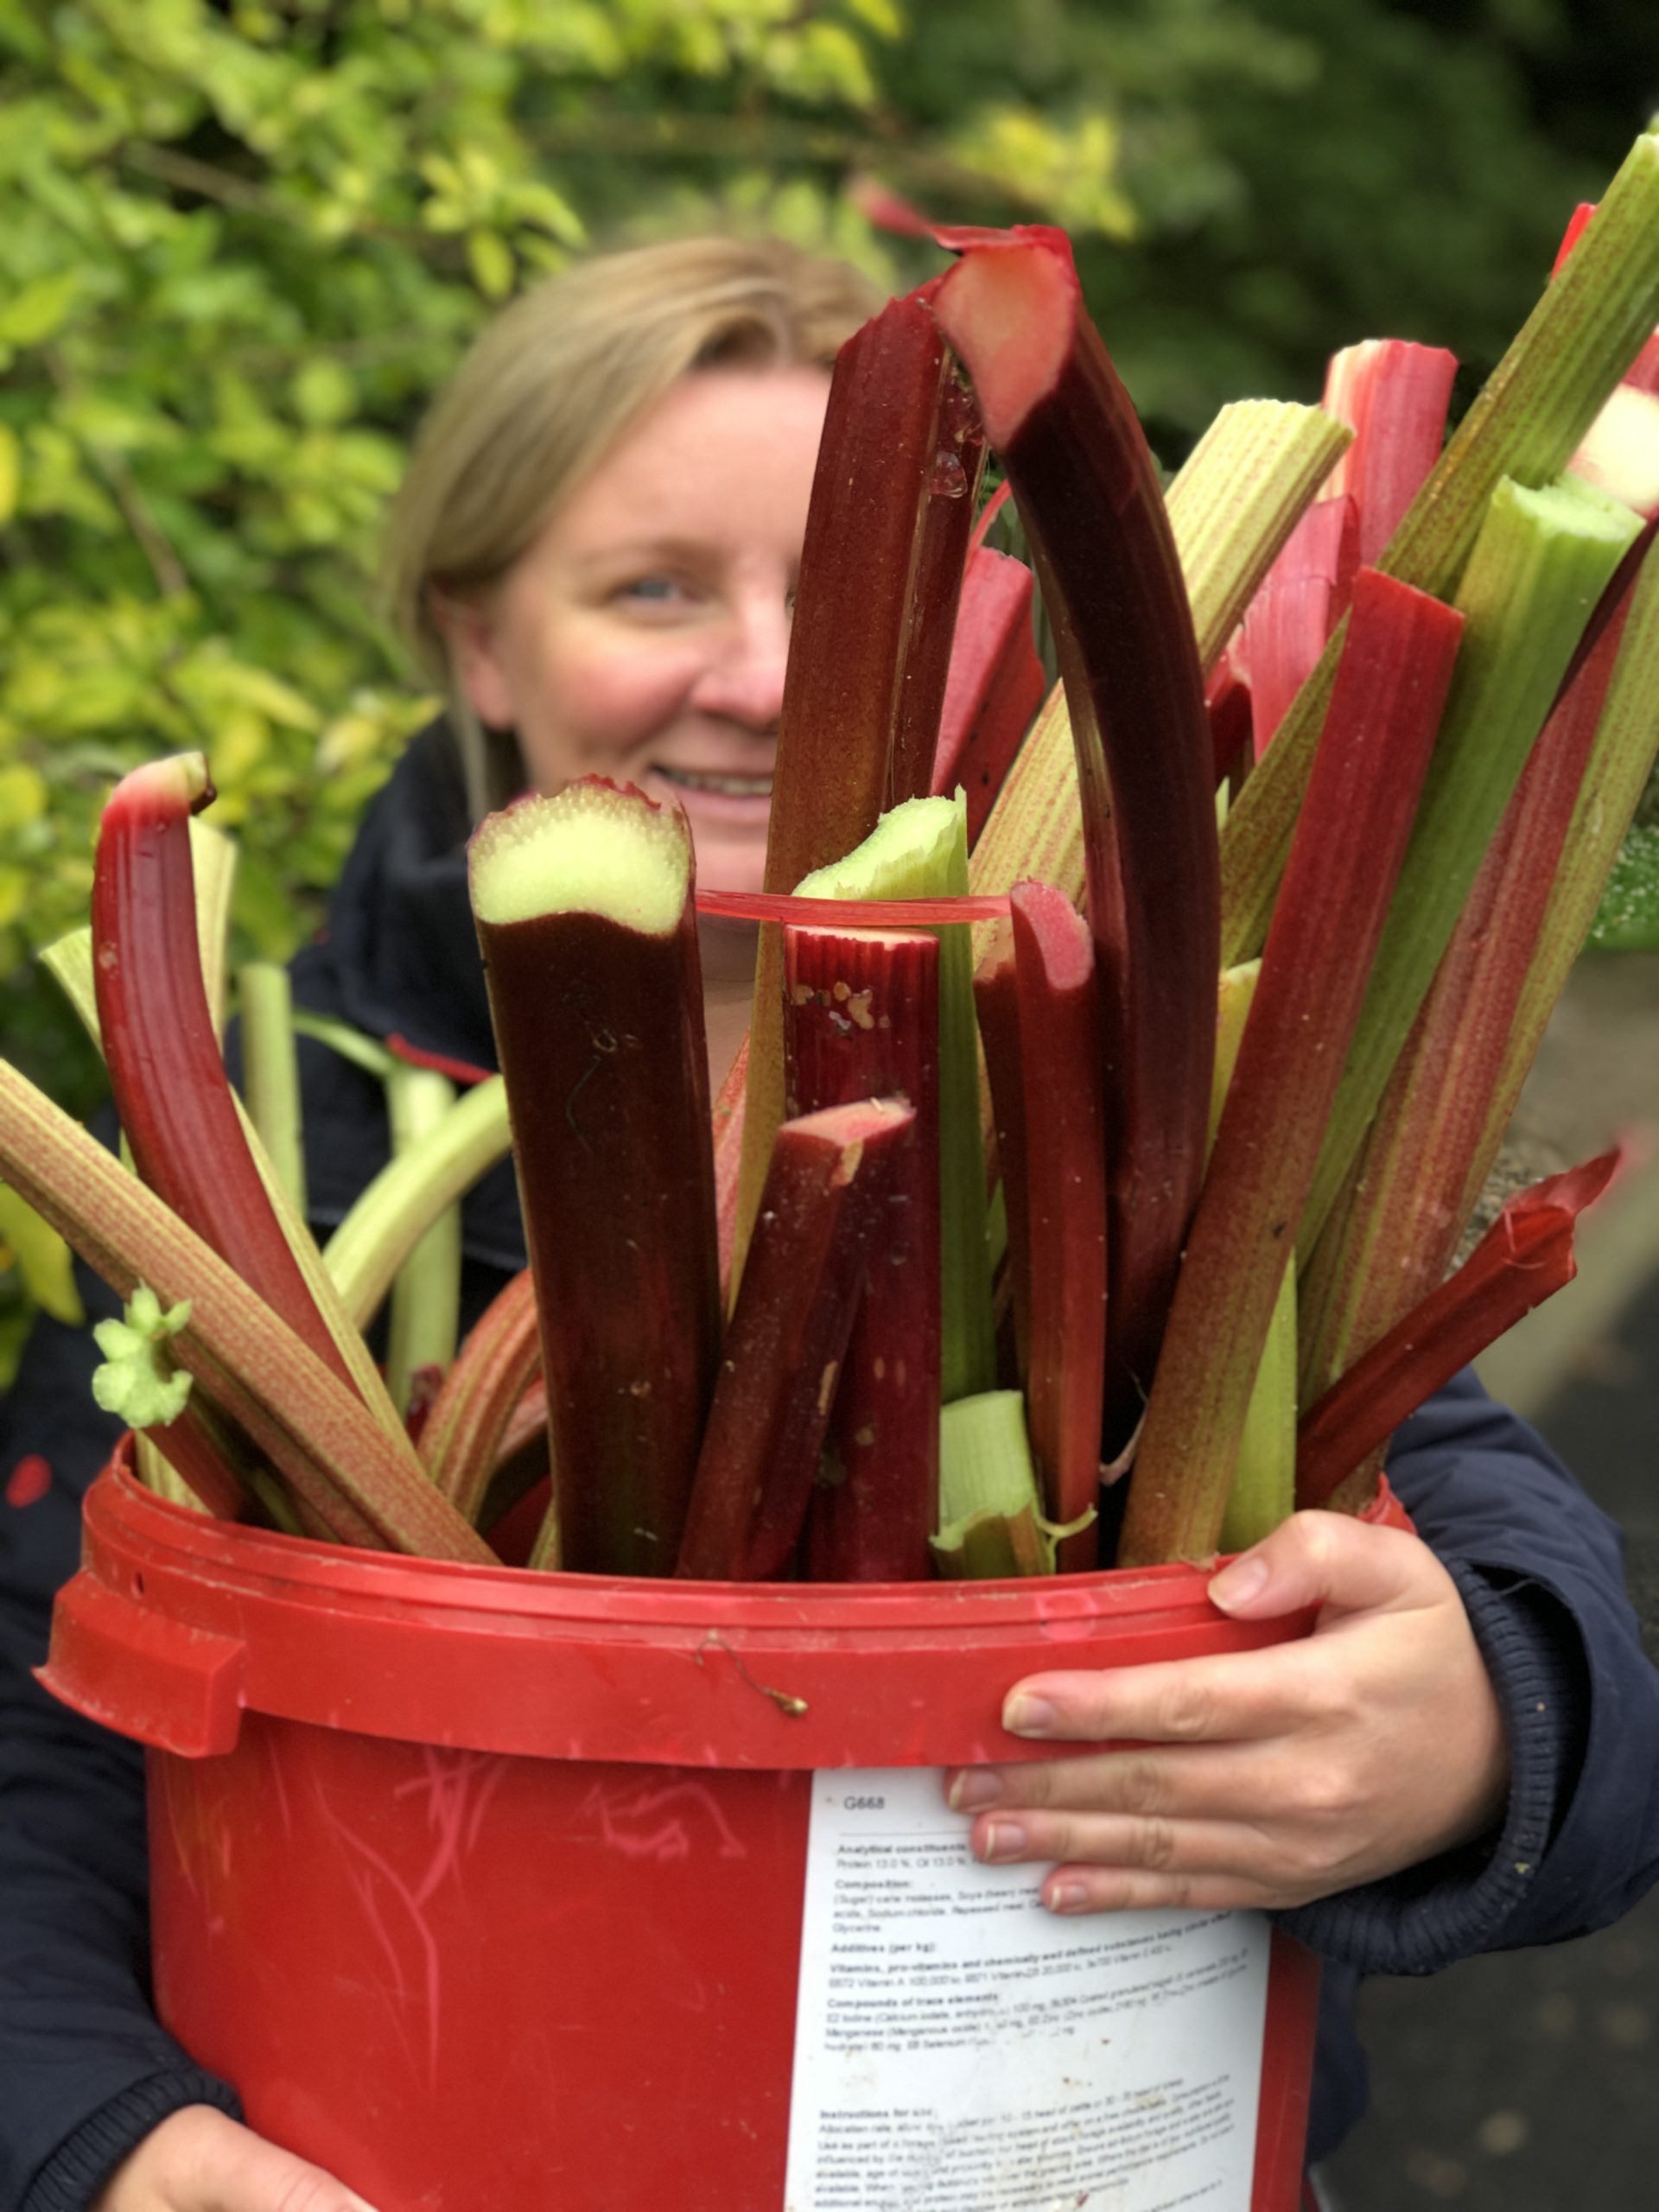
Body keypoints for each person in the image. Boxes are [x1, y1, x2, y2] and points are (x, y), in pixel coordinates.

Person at [0, 232, 1654, 2212]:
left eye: (849, 589)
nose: (772, 676)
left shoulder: (1148, 1118)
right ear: (475, 638)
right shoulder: (268, 1164)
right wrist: (103, 2134)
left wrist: (1484, 1719)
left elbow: (1513, 1566)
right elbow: (41, 1733)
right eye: (652, 588)